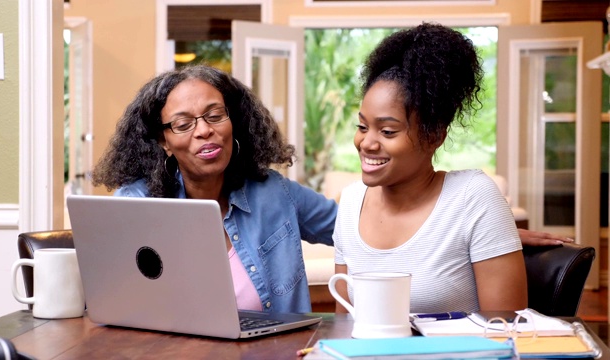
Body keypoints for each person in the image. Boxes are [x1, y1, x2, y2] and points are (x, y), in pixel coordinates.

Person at [90, 64, 338, 314]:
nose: (204, 130)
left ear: (234, 123)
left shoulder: (276, 193)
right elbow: (114, 300)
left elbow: (351, 228)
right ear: (164, 141)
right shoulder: (137, 204)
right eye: (183, 124)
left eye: (216, 115)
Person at [332, 23, 528, 314]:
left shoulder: (473, 198)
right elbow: (345, 326)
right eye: (362, 126)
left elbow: (507, 331)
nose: (366, 143)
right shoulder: (350, 202)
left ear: (434, 135)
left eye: (387, 131)